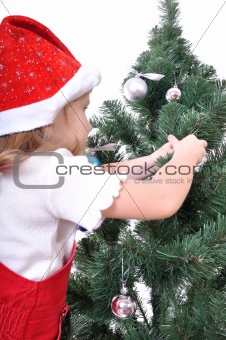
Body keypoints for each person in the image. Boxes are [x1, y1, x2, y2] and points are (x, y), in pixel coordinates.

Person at [0, 15, 207, 340]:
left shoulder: (23, 167)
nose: (90, 122)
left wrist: (150, 162)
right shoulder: (51, 170)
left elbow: (97, 176)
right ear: (46, 119)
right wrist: (186, 157)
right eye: (82, 109)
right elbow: (161, 201)